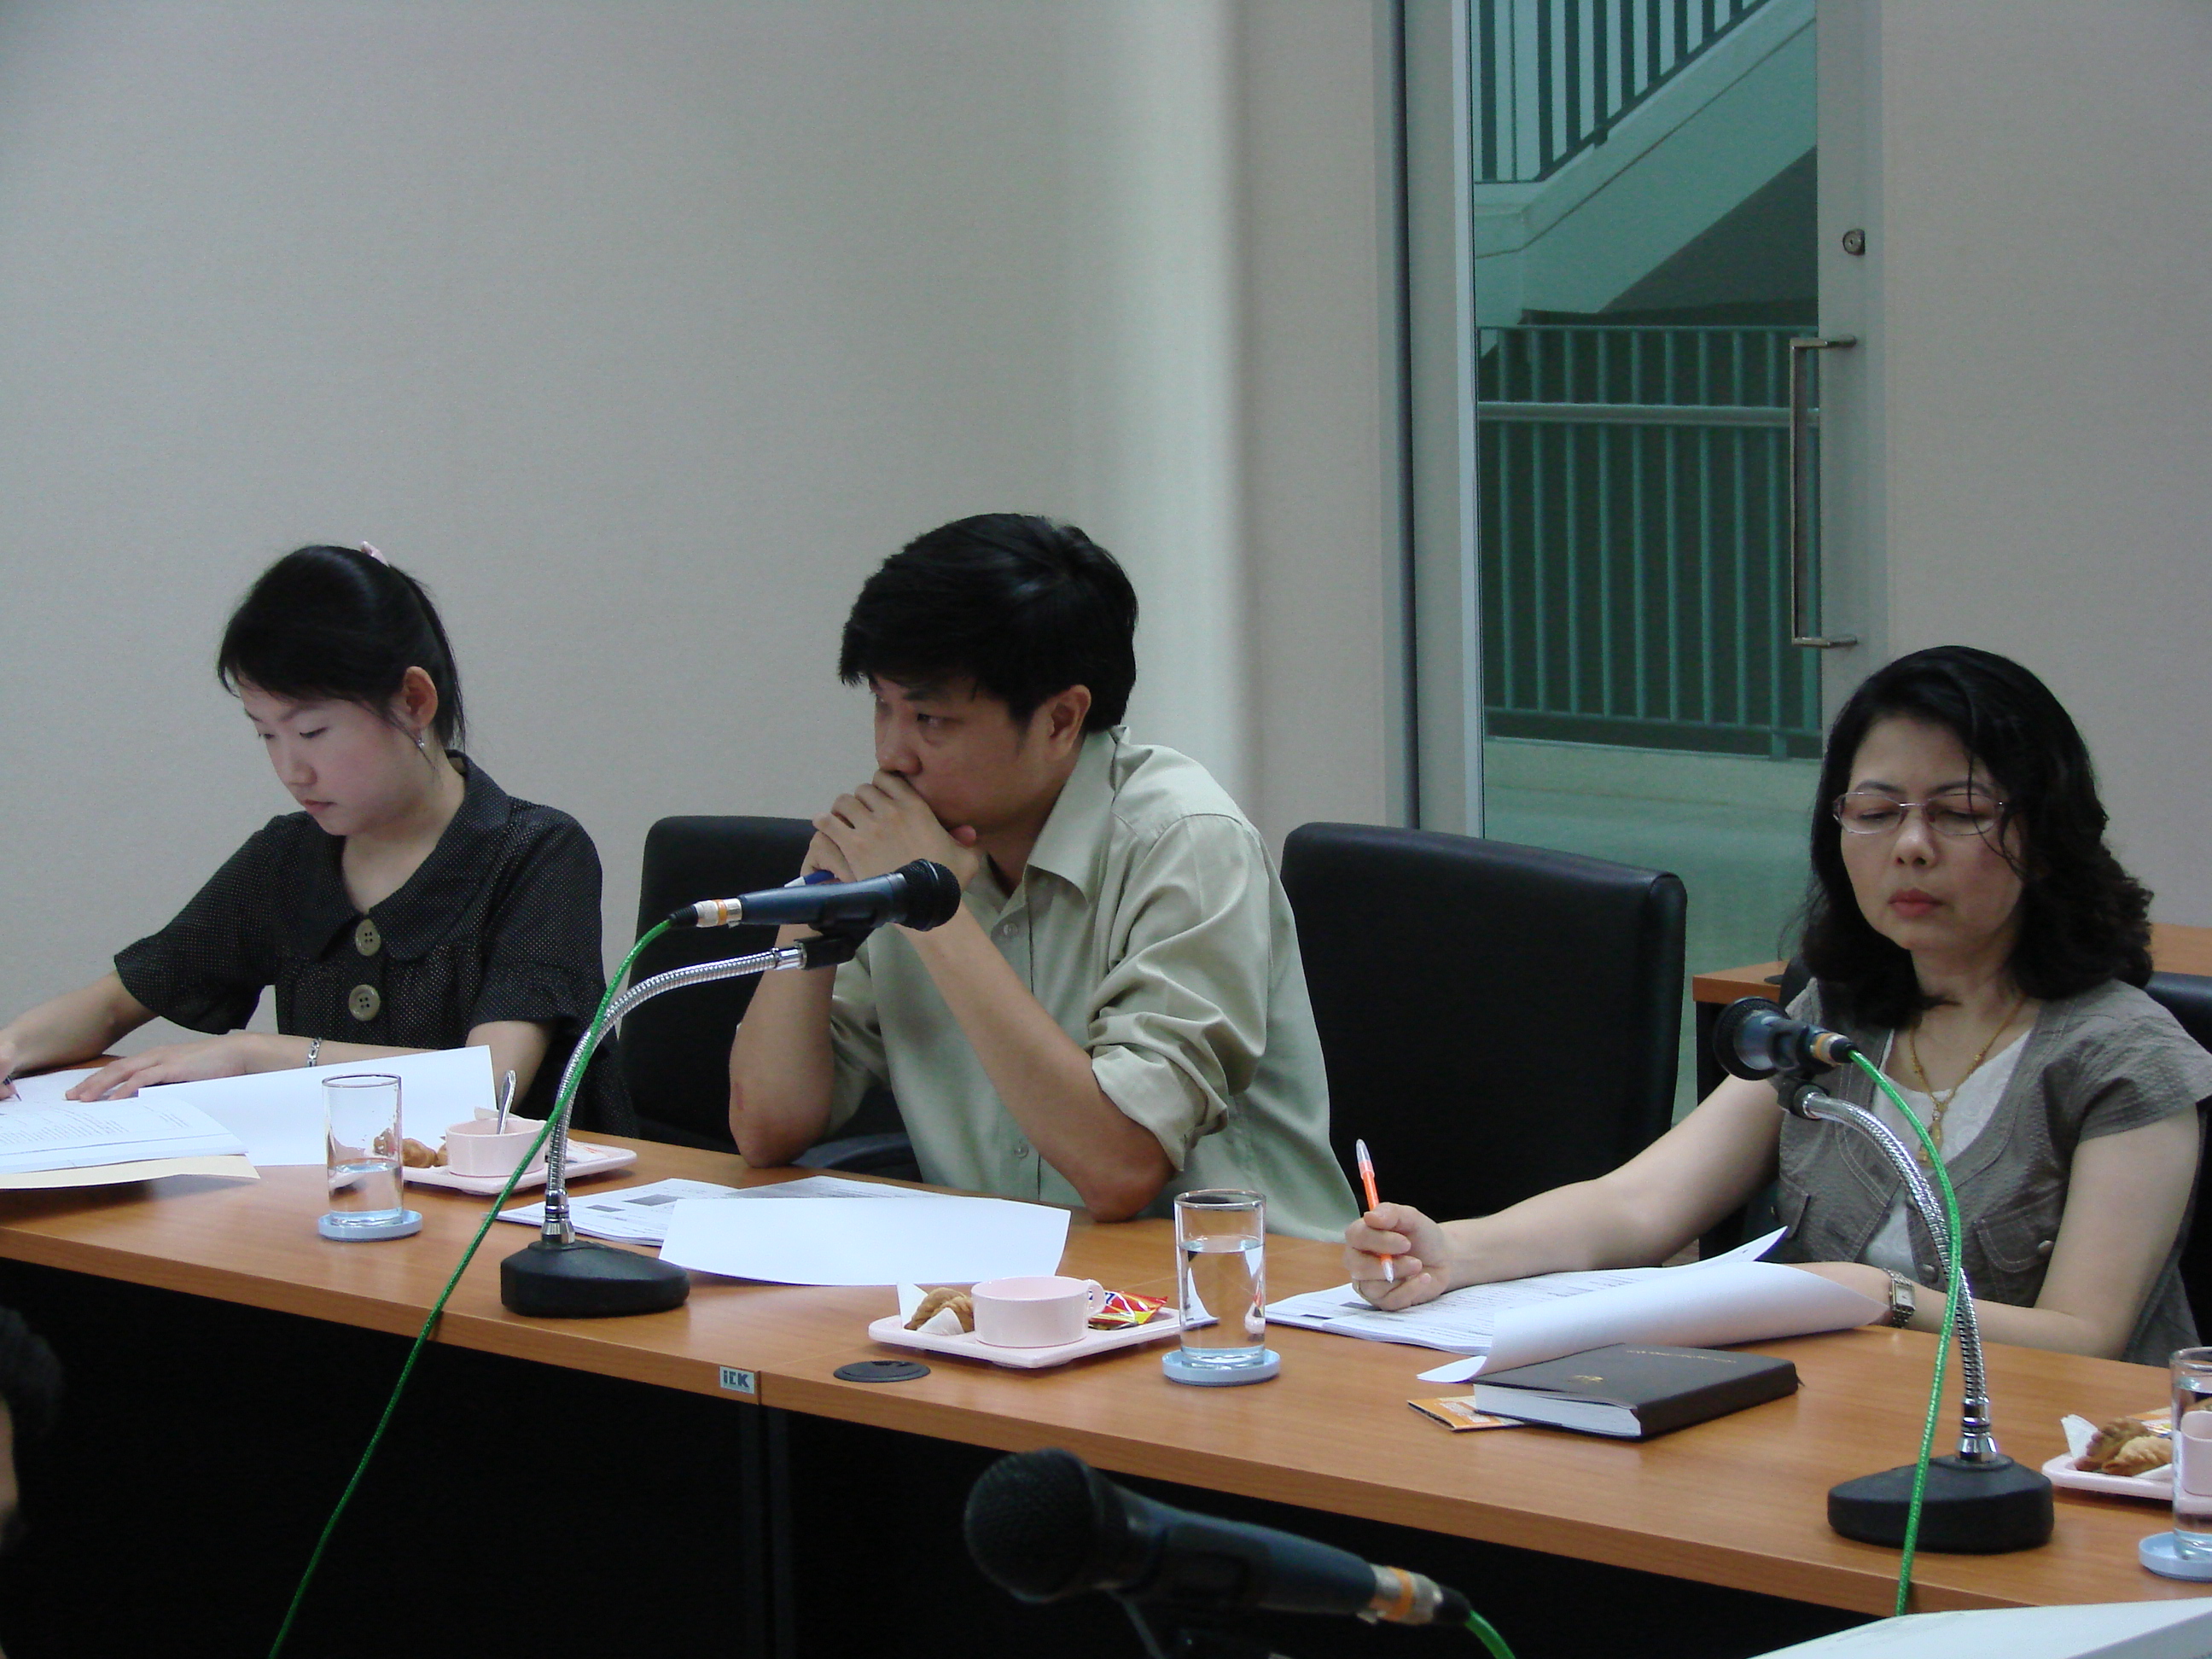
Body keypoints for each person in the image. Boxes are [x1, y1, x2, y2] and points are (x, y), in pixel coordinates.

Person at [1346, 646, 2212, 1364]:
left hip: (2047, 1463)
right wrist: (1454, 1250)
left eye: (1960, 813)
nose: (1911, 846)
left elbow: (2085, 1338)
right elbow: (1640, 1205)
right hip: (1828, 1432)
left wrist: (1878, 1297)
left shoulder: (2124, 1057)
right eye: (1877, 811)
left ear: (2046, 834)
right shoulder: (1837, 1019)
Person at [727, 514, 1356, 1239]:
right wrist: (813, 902)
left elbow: (1119, 1168)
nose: (893, 754)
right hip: (1008, 1280)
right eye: (882, 706)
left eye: (931, 719)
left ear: (1060, 720)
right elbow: (766, 1127)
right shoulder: (915, 847)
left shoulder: (1185, 842)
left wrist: (936, 915)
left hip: (1233, 1289)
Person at [0, 544, 629, 1131]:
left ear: (413, 700)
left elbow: (491, 1084)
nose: (290, 770)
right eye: (266, 735)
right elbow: (116, 1003)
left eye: (311, 733)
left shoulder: (535, 852)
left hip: (529, 1201)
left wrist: (254, 1056)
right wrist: (12, 1047)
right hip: (343, 1193)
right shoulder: (289, 857)